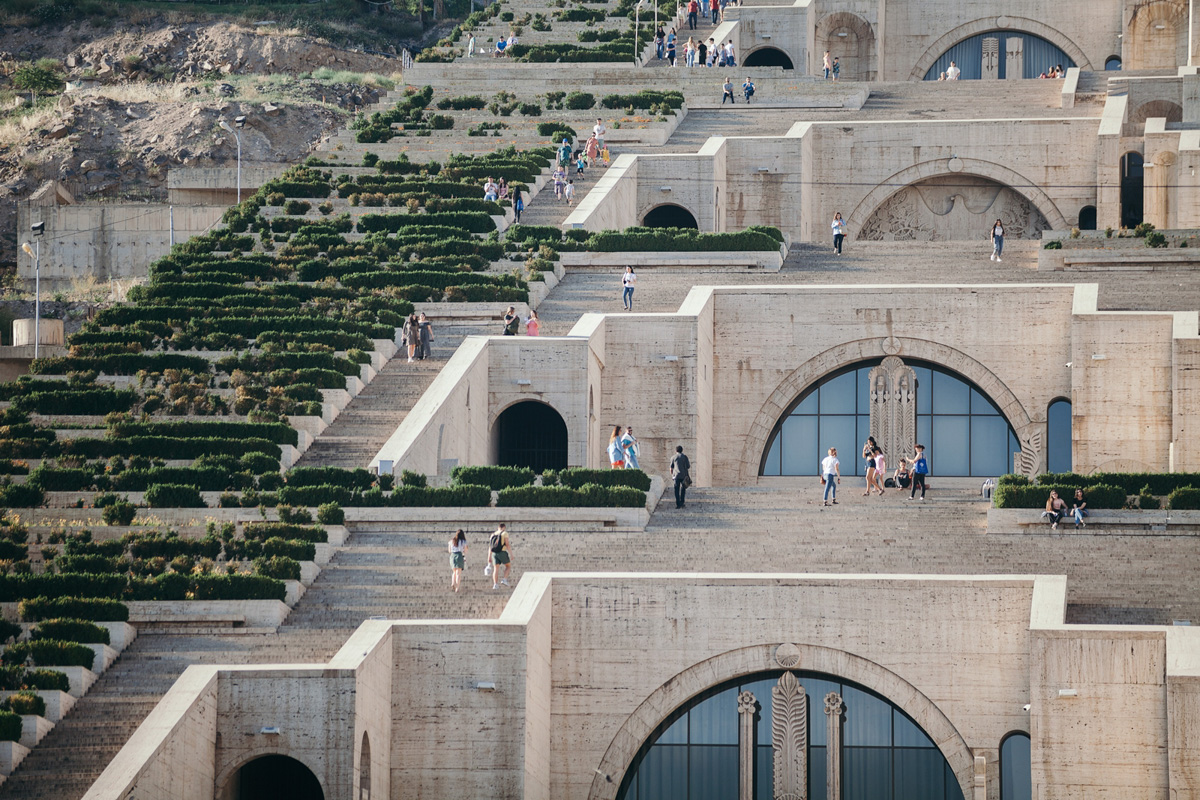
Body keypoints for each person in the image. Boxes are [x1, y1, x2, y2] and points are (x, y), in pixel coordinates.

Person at [488, 523, 512, 589]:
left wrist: (489, 557)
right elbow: (507, 544)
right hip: (502, 552)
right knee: (508, 566)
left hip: (494, 553)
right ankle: (504, 579)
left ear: (498, 527)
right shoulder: (504, 533)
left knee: (496, 569)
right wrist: (511, 554)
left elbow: (490, 546)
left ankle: (495, 584)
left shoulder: (493, 535)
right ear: (504, 527)